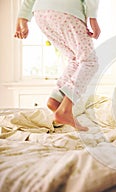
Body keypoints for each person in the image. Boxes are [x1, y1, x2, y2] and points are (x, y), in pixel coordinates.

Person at [14, 0, 101, 131]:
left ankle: (56, 98)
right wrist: (93, 17)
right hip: (66, 10)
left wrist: (22, 18)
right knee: (90, 62)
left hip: (41, 13)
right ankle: (65, 110)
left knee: (75, 59)